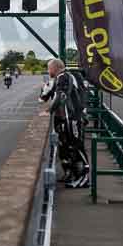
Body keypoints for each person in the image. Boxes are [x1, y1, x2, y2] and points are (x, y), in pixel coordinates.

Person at [40, 59, 88, 188]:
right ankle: (73, 174)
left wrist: (49, 111)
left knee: (77, 146)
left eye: (48, 68)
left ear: (54, 68)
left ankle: (84, 178)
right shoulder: (61, 78)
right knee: (68, 147)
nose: (48, 71)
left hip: (73, 118)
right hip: (68, 118)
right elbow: (46, 96)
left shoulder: (64, 77)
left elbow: (61, 96)